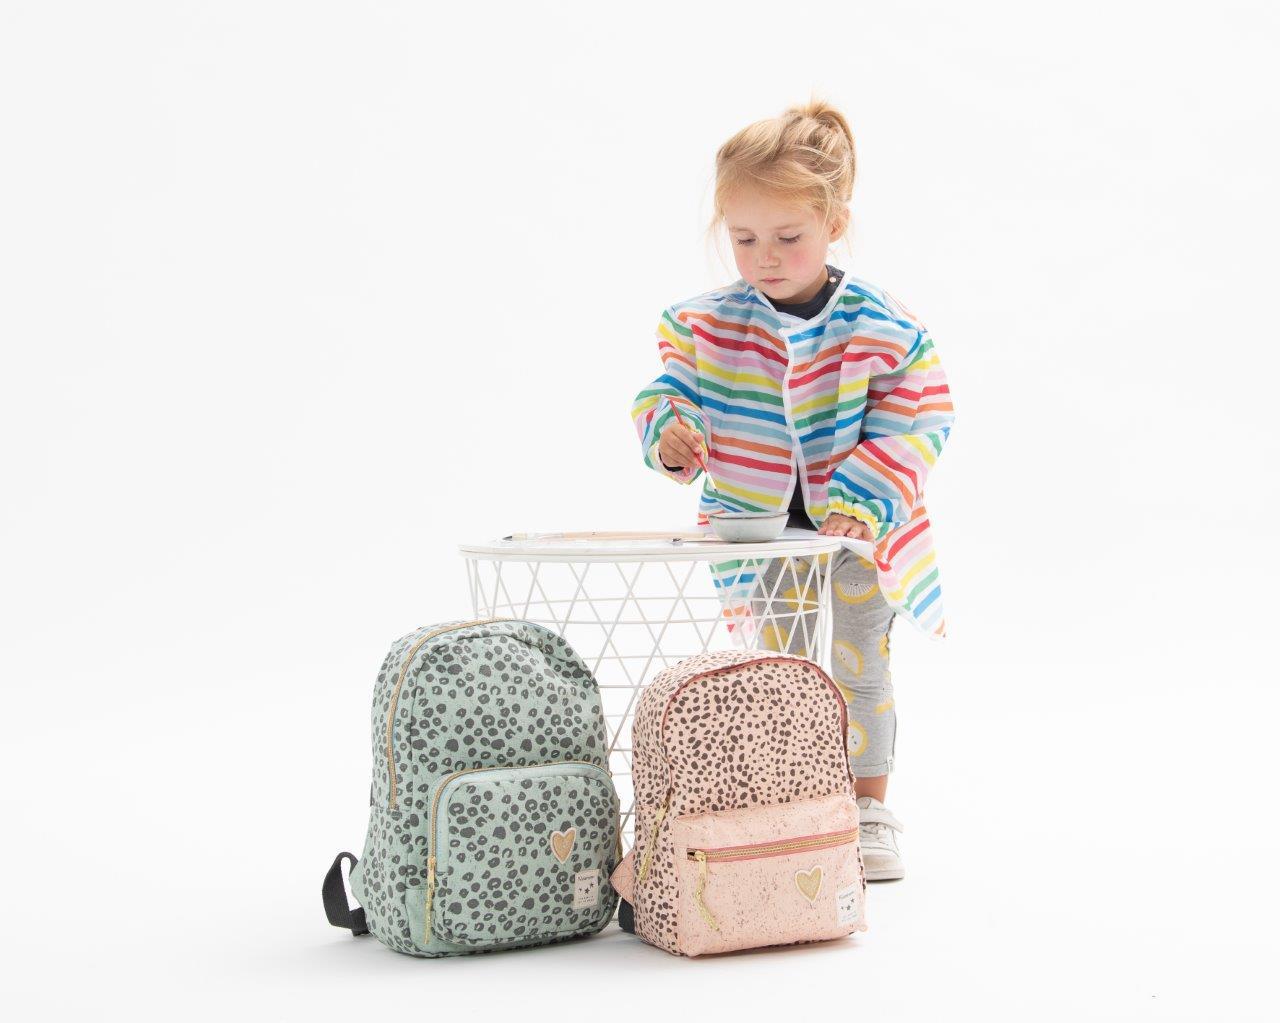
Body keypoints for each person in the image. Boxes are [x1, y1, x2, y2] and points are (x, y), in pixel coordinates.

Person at [629, 98, 955, 881]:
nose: (764, 257)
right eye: (743, 239)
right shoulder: (707, 327)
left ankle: (867, 809)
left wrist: (864, 501)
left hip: (861, 537)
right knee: (783, 670)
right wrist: (670, 434)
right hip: (764, 537)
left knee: (859, 664)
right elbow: (668, 395)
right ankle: (800, 800)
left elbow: (918, 421)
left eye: (787, 237)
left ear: (834, 222)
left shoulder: (883, 327)